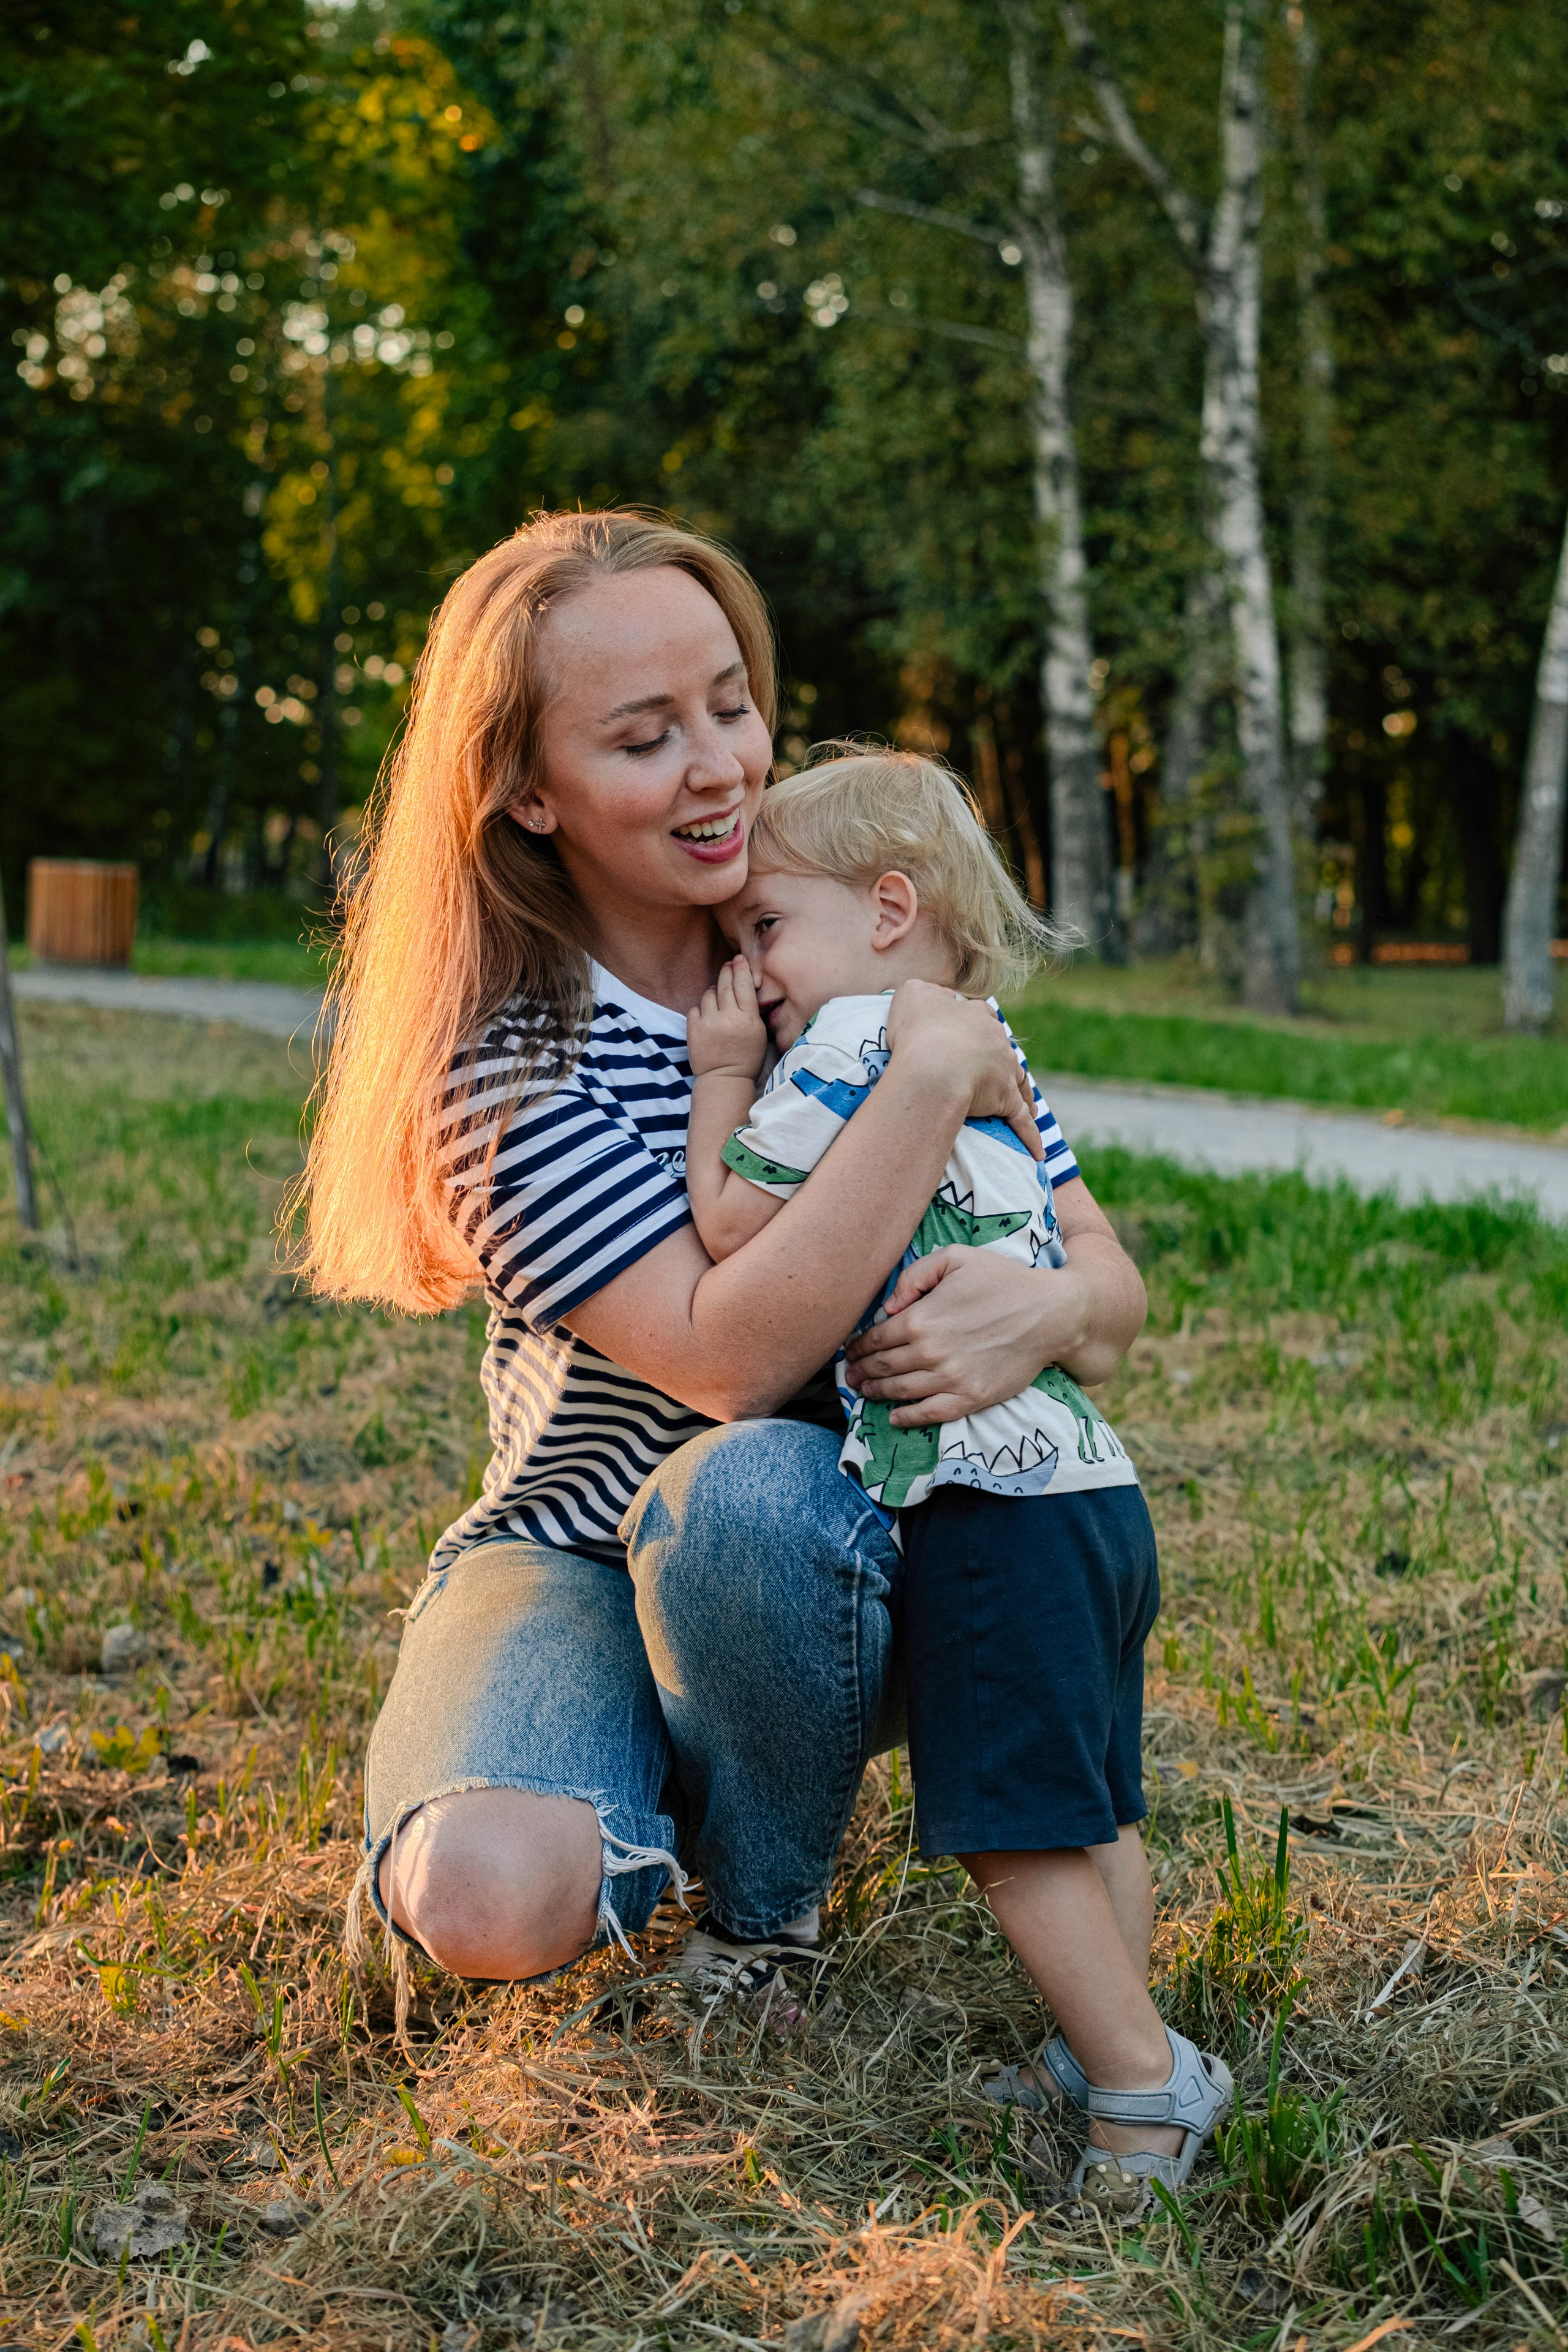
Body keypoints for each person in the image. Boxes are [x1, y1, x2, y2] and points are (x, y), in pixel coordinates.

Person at [298, 505, 1144, 2107]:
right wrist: (936, 1070)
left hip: (864, 1553)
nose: (718, 768)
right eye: (643, 735)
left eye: (730, 705)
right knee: (488, 1897)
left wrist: (1036, 1317)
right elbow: (733, 1357)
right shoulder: (505, 1068)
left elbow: (1106, 1287)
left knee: (764, 1509)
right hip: (585, 1548)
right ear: (525, 790)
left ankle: (767, 1908)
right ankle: (645, 1773)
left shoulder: (835, 935)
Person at [682, 750, 1231, 2210]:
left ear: (884, 910)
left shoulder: (844, 1048)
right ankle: (1115, 2034)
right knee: (1091, 1797)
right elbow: (1077, 1236)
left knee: (1009, 1829)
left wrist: (725, 1073)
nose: (751, 966)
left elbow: (735, 1223)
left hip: (978, 1509)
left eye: (763, 930)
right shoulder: (987, 1040)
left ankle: (1141, 2090)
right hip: (1093, 1497)